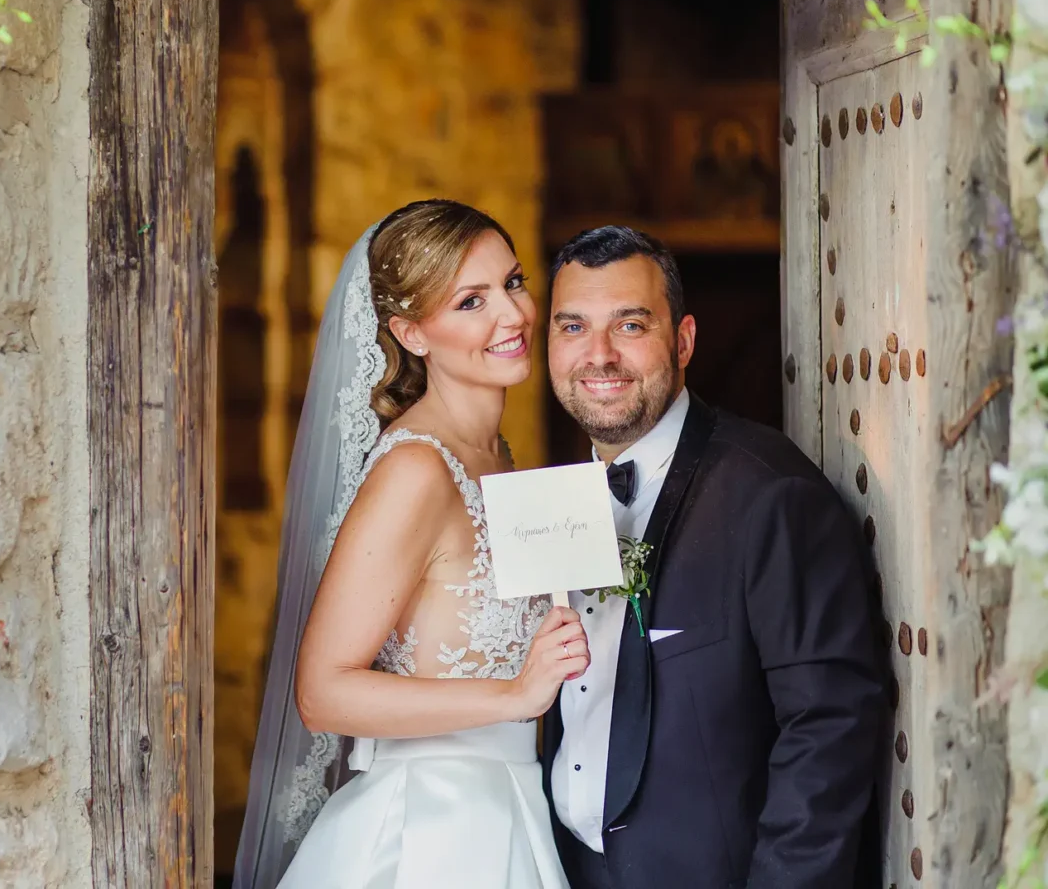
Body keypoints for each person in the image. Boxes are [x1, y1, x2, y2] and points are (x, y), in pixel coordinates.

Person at [233, 200, 588, 889]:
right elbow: (323, 692)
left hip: (513, 808)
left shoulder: (496, 456)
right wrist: (514, 693)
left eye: (512, 283)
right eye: (470, 302)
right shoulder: (416, 470)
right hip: (431, 833)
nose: (512, 316)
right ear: (411, 333)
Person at [541, 226, 888, 889]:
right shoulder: (554, 502)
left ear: (685, 340)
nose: (599, 355)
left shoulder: (770, 496)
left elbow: (829, 725)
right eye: (573, 327)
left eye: (631, 324)